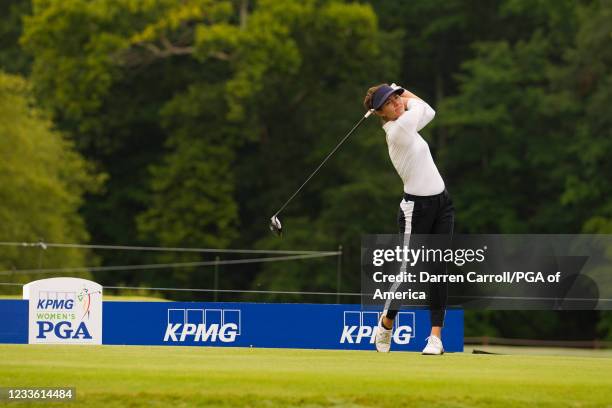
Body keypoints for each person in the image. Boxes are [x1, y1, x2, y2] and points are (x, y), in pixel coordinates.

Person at [363, 83, 454, 354]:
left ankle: (435, 338)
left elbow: (431, 111)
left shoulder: (406, 122)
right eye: (389, 103)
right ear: (381, 113)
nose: (397, 103)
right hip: (417, 209)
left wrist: (396, 92)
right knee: (409, 273)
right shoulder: (398, 130)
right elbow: (423, 107)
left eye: (395, 99)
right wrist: (400, 90)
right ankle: (386, 323)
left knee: (439, 270)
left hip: (442, 203)